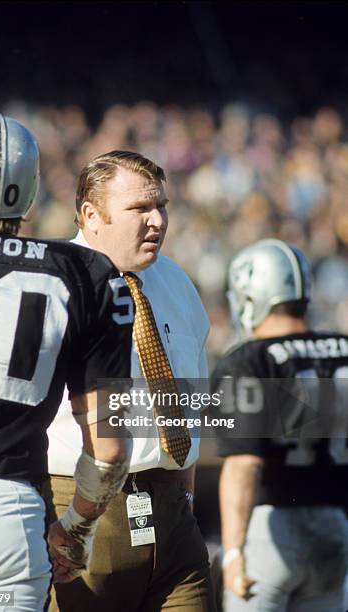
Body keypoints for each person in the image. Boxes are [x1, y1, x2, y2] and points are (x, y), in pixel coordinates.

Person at [0, 113, 133, 611]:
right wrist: (77, 530)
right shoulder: (83, 272)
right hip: (4, 528)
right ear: (29, 188)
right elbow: (110, 448)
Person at [46, 150, 215, 611]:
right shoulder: (53, 282)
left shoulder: (176, 280)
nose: (156, 221)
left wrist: (183, 496)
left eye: (161, 206)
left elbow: (189, 401)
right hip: (80, 510)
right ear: (91, 214)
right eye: (139, 209)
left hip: (170, 512)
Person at [211, 238, 348, 611]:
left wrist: (234, 551)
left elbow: (244, 463)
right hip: (335, 527)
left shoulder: (249, 359)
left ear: (253, 295)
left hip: (271, 530)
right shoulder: (343, 347)